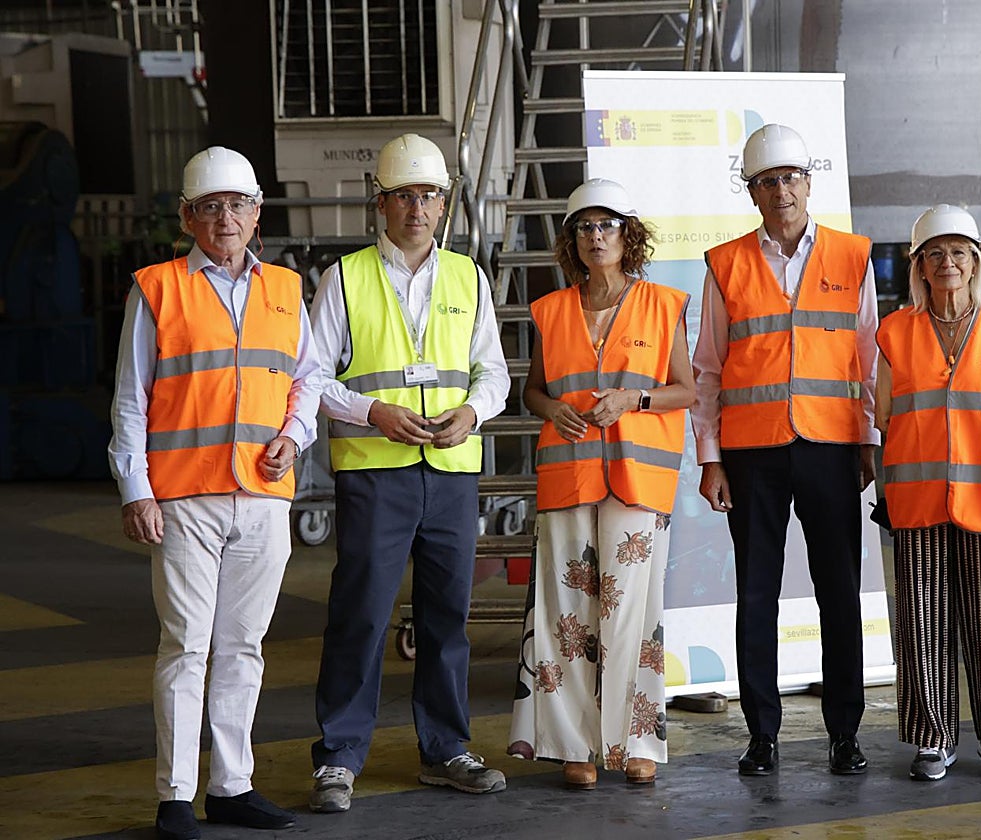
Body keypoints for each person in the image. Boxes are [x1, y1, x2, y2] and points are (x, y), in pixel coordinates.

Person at [109, 146, 322, 840]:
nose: (225, 218)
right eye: (211, 207)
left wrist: (296, 433)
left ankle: (232, 787)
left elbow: (307, 380)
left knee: (242, 647)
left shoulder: (288, 290)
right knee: (186, 646)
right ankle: (176, 796)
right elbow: (130, 400)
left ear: (257, 215)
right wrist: (136, 488)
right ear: (187, 217)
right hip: (184, 499)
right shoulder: (157, 288)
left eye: (237, 205)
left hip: (264, 496)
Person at [307, 133, 511, 809]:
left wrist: (473, 414)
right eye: (403, 196)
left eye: (427, 195)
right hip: (375, 473)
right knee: (360, 613)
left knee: (447, 616)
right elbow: (310, 378)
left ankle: (445, 748)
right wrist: (373, 413)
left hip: (451, 472)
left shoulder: (469, 277)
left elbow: (494, 372)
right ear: (380, 204)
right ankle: (339, 756)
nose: (416, 208)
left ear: (444, 203)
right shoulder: (343, 278)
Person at [692, 124, 880, 777]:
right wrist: (711, 458)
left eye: (790, 178)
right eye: (766, 181)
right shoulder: (726, 263)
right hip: (751, 454)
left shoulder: (853, 257)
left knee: (839, 594)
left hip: (831, 447)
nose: (781, 191)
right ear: (751, 192)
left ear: (809, 181)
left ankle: (845, 735)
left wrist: (869, 442)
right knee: (756, 595)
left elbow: (869, 360)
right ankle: (762, 735)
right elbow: (708, 369)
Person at [506, 178, 695, 789]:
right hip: (568, 474)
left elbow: (686, 389)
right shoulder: (551, 309)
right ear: (572, 241)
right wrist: (547, 408)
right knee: (567, 616)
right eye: (584, 228)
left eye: (606, 226)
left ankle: (635, 740)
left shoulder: (664, 304)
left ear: (626, 234)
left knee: (633, 615)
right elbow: (533, 388)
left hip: (638, 479)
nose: (595, 237)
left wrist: (634, 399)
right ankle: (575, 746)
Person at [875, 204, 981, 782]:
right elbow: (884, 421)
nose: (948, 263)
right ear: (918, 266)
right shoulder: (894, 333)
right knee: (921, 624)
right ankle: (932, 740)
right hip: (917, 503)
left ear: (977, 262)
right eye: (935, 254)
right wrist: (884, 495)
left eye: (959, 253)